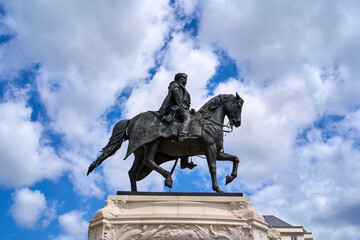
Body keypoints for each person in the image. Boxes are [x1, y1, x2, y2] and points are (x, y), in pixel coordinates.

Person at [159, 73, 196, 169]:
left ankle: (184, 161)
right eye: (183, 78)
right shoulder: (174, 84)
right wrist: (182, 107)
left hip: (184, 109)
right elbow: (176, 95)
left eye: (186, 78)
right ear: (178, 78)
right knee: (187, 119)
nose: (185, 80)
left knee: (193, 126)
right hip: (176, 108)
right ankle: (182, 136)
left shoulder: (184, 90)